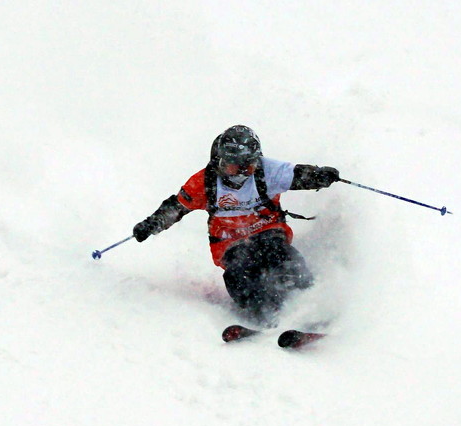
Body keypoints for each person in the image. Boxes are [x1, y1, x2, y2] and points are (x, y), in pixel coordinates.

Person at [132, 125, 341, 323]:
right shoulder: (204, 182)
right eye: (232, 166)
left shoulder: (268, 171)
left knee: (280, 255)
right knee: (240, 271)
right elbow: (176, 208)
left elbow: (298, 175)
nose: (240, 173)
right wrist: (151, 225)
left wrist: (319, 175)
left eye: (247, 166)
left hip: (267, 230)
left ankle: (309, 302)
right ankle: (262, 313)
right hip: (229, 242)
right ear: (219, 161)